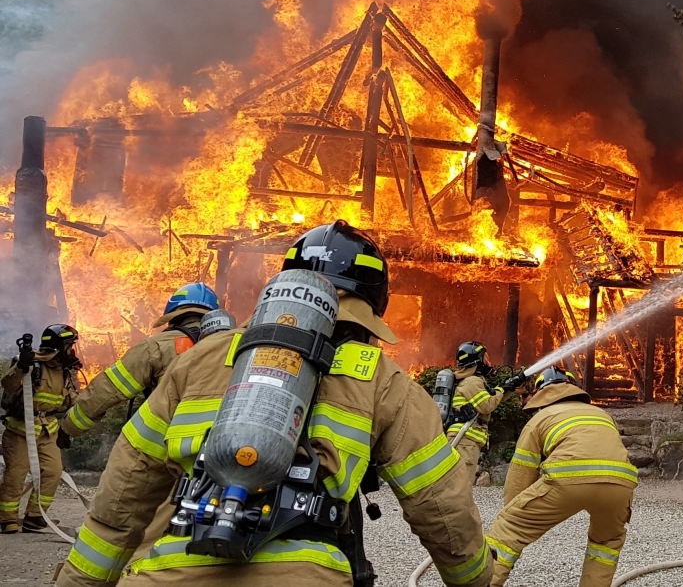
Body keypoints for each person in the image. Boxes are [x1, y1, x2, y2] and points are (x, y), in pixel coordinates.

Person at [57, 220, 491, 587]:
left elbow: (122, 496)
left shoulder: (202, 357)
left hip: (171, 569)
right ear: (375, 303)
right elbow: (441, 507)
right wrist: (474, 578)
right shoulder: (381, 378)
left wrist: (81, 581)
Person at [485, 367, 637, 587]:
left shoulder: (540, 418)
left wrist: (514, 512)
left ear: (542, 393)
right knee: (606, 543)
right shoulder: (602, 414)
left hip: (567, 481)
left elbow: (521, 472)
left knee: (507, 529)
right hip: (620, 484)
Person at [59, 283, 219, 441]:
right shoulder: (230, 344)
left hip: (168, 441)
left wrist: (69, 427)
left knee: (124, 458)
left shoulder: (155, 347)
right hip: (223, 441)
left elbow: (108, 390)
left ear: (174, 313)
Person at [0, 325, 79, 534]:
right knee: (15, 474)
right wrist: (21, 366)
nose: (72, 351)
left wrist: (69, 429)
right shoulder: (30, 364)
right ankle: (6, 519)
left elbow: (72, 401)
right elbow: (8, 384)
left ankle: (35, 517)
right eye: (70, 346)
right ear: (61, 347)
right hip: (20, 431)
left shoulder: (65, 371)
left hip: (48, 430)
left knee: (53, 471)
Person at [448, 342, 514, 482]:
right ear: (477, 361)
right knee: (461, 485)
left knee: (460, 485)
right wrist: (501, 389)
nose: (488, 362)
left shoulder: (472, 381)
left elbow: (492, 399)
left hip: (465, 439)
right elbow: (487, 405)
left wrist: (509, 387)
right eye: (485, 358)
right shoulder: (472, 382)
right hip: (464, 439)